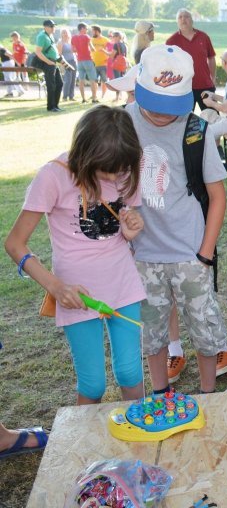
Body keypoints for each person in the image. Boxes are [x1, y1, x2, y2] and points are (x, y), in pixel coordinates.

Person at [5, 105, 146, 404]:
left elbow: (123, 211)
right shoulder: (53, 176)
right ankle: (86, 450)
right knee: (93, 384)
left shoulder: (126, 166)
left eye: (121, 170)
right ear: (85, 155)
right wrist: (55, 287)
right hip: (75, 294)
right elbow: (15, 244)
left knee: (131, 373)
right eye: (107, 171)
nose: (115, 177)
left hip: (122, 283)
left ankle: (141, 436)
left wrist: (129, 227)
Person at [127, 45, 227, 395]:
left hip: (189, 254)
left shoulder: (196, 130)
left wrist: (204, 254)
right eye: (152, 103)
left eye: (169, 106)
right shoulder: (123, 123)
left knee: (205, 333)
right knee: (151, 334)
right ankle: (159, 393)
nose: (159, 114)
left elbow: (218, 197)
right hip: (142, 256)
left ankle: (207, 394)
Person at [166, 9, 217, 111]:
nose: (183, 19)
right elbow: (168, 65)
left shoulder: (203, 37)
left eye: (186, 16)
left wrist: (213, 77)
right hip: (184, 88)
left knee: (213, 118)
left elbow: (211, 57)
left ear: (192, 20)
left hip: (205, 86)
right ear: (177, 21)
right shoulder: (171, 41)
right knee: (185, 121)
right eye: (180, 17)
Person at [35, 19, 64, 112]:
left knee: (59, 83)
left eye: (54, 26)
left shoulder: (50, 35)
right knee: (51, 85)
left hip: (53, 62)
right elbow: (38, 52)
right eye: (51, 26)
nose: (53, 28)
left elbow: (53, 50)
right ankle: (51, 107)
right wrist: (48, 62)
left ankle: (55, 105)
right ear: (45, 27)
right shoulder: (42, 36)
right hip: (48, 63)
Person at [71, 23, 97, 103]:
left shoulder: (73, 38)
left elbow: (73, 50)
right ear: (82, 29)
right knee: (93, 80)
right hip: (88, 60)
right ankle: (94, 98)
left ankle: (83, 99)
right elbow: (92, 49)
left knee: (81, 80)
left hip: (79, 61)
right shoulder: (86, 37)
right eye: (86, 29)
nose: (87, 30)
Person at [90, 25, 109, 100]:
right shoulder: (91, 40)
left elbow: (110, 51)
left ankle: (103, 95)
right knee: (94, 80)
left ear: (97, 31)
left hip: (103, 64)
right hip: (94, 64)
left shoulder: (105, 40)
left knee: (104, 81)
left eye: (93, 31)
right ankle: (94, 95)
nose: (92, 33)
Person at [58, 28, 76, 101]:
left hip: (73, 61)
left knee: (73, 79)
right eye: (63, 32)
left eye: (66, 32)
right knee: (67, 79)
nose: (65, 34)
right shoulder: (60, 43)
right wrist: (62, 64)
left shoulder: (70, 42)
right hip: (66, 62)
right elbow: (59, 54)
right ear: (61, 34)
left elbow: (74, 51)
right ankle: (65, 96)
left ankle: (71, 96)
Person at [110, 31, 128, 101]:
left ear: (117, 37)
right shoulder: (124, 45)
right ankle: (125, 96)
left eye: (113, 36)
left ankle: (117, 97)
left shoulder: (116, 45)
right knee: (123, 80)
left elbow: (112, 55)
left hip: (117, 64)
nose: (112, 38)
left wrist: (105, 52)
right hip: (123, 64)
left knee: (117, 81)